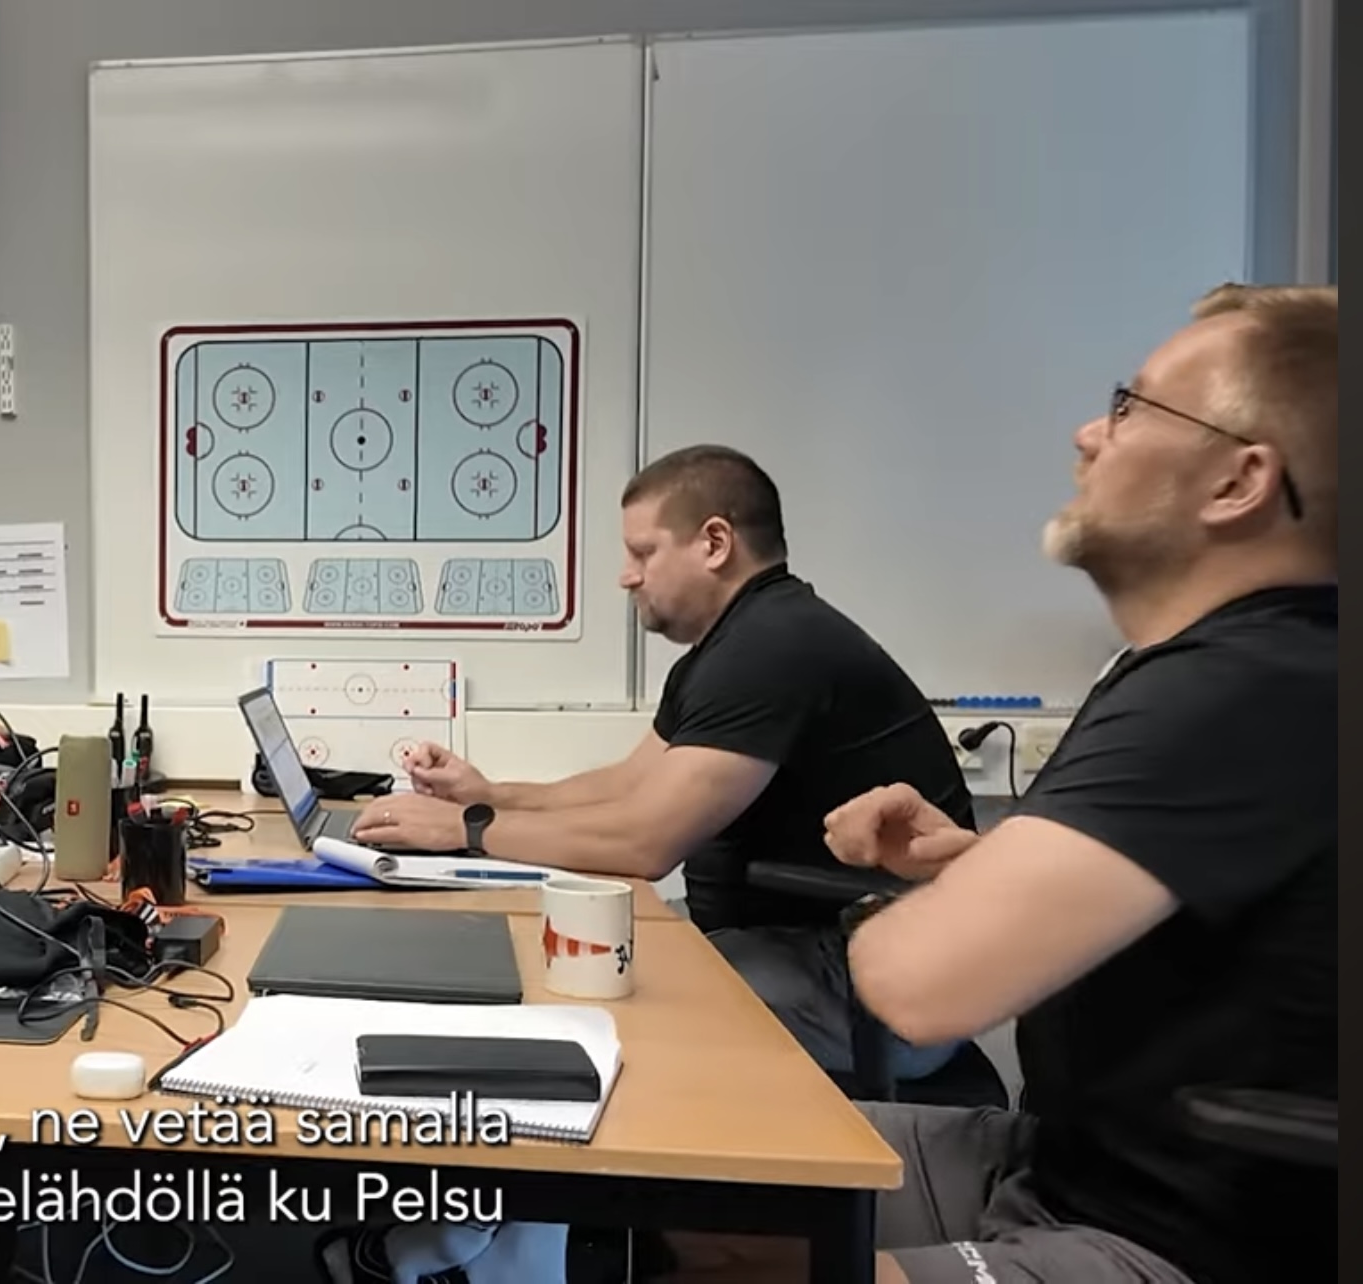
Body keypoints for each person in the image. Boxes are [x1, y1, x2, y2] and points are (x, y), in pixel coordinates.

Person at [824, 284, 1334, 1284]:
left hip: (1177, 1244)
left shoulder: (1246, 684)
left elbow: (917, 984)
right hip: (1065, 1166)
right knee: (692, 1184)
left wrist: (938, 912)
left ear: (1238, 481)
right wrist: (978, 862)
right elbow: (1203, 913)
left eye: (1132, 405)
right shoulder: (1241, 667)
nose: (1088, 433)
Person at [353, 444, 973, 1081]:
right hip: (805, 943)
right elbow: (630, 784)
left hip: (873, 974)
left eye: (643, 552)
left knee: (590, 1004)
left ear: (715, 543)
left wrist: (464, 830)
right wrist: (488, 796)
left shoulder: (774, 646)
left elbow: (644, 842)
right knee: (568, 962)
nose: (627, 576)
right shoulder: (734, 644)